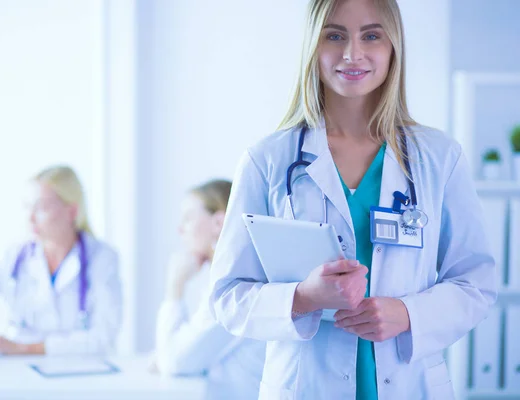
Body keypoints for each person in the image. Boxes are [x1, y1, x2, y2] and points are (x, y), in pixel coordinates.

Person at [208, 0, 497, 399]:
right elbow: (227, 296)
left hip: (411, 385)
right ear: (313, 45)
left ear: (393, 46)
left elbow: (476, 283)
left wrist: (408, 314)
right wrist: (302, 298)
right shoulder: (268, 160)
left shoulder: (439, 158)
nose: (352, 53)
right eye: (335, 35)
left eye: (372, 35)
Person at [0, 165, 122, 356]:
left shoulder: (102, 259)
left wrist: (23, 348)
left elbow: (103, 338)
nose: (30, 218)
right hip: (18, 374)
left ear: (72, 212)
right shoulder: (14, 257)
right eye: (27, 207)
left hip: (80, 379)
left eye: (41, 207)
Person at [153, 179, 265, 400]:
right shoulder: (235, 273)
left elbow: (175, 360)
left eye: (188, 217)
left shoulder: (236, 282)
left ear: (218, 222)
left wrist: (174, 289)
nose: (180, 229)